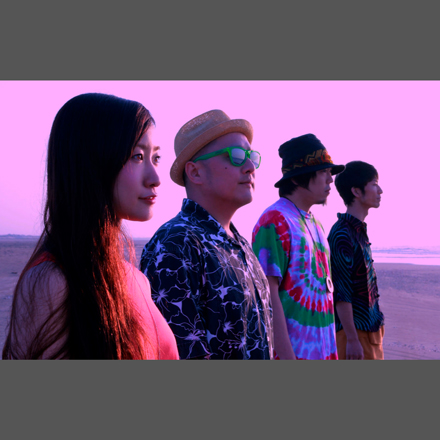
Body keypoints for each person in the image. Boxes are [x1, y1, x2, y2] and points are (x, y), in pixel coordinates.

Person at [2, 93, 179, 360]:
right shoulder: (52, 282)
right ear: (92, 162)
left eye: (156, 158)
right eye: (137, 156)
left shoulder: (137, 279)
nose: (155, 178)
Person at [140, 109, 273, 360]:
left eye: (251, 156)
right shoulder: (175, 245)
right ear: (195, 172)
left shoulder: (240, 243)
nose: (249, 167)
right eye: (236, 156)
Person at [252, 134, 345, 360]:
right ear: (296, 179)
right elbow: (267, 295)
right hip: (293, 354)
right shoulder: (275, 220)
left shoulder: (316, 224)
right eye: (323, 171)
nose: (330, 179)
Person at [327, 161, 385, 360]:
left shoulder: (357, 230)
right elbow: (341, 292)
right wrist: (352, 339)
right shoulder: (342, 234)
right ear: (356, 191)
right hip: (355, 333)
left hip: (371, 329)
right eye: (374, 184)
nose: (380, 191)